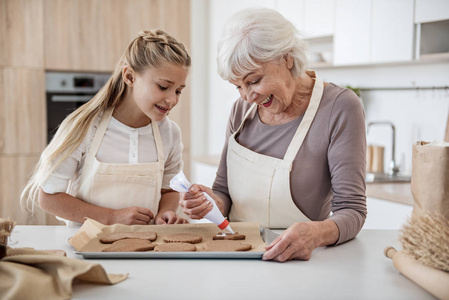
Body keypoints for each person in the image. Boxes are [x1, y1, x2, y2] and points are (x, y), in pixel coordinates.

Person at [179, 8, 367, 262]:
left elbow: (352, 210)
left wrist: (316, 234)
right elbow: (223, 191)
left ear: (287, 58)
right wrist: (211, 204)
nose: (247, 96)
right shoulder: (241, 110)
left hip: (300, 263)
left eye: (254, 80)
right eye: (238, 86)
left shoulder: (339, 107)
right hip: (235, 256)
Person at [21, 30, 191, 226]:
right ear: (130, 77)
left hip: (146, 248)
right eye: (163, 86)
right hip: (85, 247)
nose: (172, 99)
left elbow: (169, 190)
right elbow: (49, 198)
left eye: (178, 90)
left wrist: (165, 213)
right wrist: (112, 217)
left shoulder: (169, 133)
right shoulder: (84, 127)